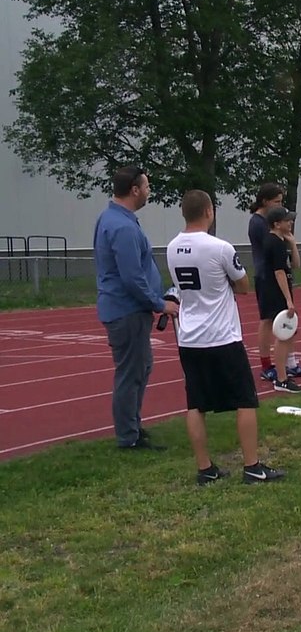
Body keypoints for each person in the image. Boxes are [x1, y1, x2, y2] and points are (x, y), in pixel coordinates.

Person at [165, 190, 285, 485]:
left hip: (190, 336)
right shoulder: (219, 247)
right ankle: (252, 465)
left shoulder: (171, 247)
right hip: (221, 335)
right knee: (245, 400)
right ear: (209, 211)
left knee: (196, 404)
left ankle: (205, 468)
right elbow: (242, 284)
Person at [93, 166, 178, 450]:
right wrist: (159, 304)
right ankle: (128, 437)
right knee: (131, 373)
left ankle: (132, 428)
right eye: (147, 186)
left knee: (141, 368)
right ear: (135, 190)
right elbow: (132, 277)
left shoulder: (115, 219)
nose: (149, 191)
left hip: (127, 309)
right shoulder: (122, 226)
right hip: (126, 311)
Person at [261, 206, 301, 391]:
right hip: (275, 292)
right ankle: (281, 378)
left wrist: (293, 243)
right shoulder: (274, 243)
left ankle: (285, 372)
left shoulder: (281, 241)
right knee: (283, 334)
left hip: (278, 290)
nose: (291, 222)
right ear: (276, 224)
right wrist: (288, 300)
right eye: (287, 220)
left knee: (288, 333)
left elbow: (295, 265)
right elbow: (279, 272)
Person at [247, 183, 284, 381]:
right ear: (265, 201)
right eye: (276, 202)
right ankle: (266, 363)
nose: (279, 206)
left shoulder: (267, 221)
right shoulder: (258, 223)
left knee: (279, 318)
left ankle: (284, 362)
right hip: (265, 275)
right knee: (268, 320)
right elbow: (269, 246)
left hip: (273, 273)